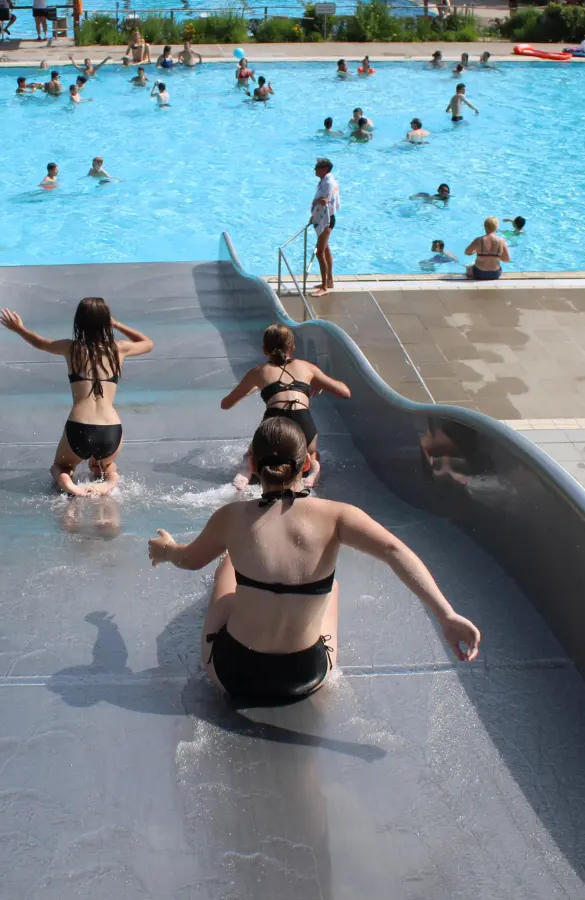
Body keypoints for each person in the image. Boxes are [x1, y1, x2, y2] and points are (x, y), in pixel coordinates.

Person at [147, 416, 481, 706]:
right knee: (329, 586)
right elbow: (396, 552)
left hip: (234, 675)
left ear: (253, 465)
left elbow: (188, 560)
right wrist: (446, 615)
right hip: (305, 677)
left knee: (229, 566)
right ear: (306, 464)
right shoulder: (337, 515)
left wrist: (166, 549)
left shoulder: (231, 517)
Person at [0, 298, 155, 496]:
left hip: (79, 426)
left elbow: (40, 343)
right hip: (111, 428)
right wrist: (116, 324)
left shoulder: (71, 348)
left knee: (61, 466)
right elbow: (148, 343)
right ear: (106, 321)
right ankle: (109, 482)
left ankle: (69, 485)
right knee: (106, 466)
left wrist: (19, 329)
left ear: (78, 322)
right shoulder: (119, 348)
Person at [222, 324, 352, 489]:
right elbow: (345, 392)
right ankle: (313, 469)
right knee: (312, 453)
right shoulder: (306, 367)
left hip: (275, 420)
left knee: (252, 454)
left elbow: (226, 404)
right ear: (292, 347)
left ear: (264, 349)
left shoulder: (258, 372)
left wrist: (254, 388)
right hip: (303, 421)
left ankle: (246, 469)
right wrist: (319, 384)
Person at [310, 158, 339, 298]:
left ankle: (324, 286)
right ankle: (329, 281)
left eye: (317, 167)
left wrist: (316, 212)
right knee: (326, 250)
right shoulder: (325, 181)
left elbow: (324, 201)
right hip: (324, 218)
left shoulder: (328, 183)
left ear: (325, 169)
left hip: (326, 220)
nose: (315, 170)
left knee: (319, 252)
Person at [464, 216, 510, 280]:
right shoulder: (501, 241)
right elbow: (507, 259)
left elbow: (467, 252)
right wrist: (496, 256)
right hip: (495, 273)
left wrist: (476, 251)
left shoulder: (478, 240)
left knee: (468, 267)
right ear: (496, 227)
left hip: (479, 272)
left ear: (485, 227)